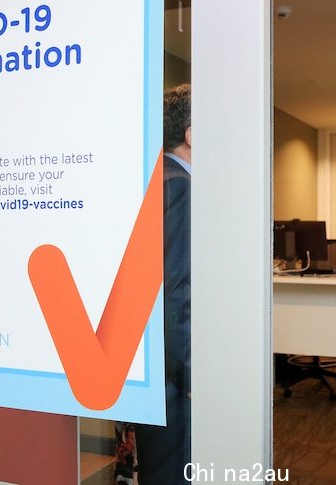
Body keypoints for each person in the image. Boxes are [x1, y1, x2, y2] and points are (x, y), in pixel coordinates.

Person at [131, 83, 192, 485]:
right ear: (191, 134)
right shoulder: (179, 184)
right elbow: (174, 288)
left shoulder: (154, 177)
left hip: (154, 364)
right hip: (172, 374)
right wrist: (193, 371)